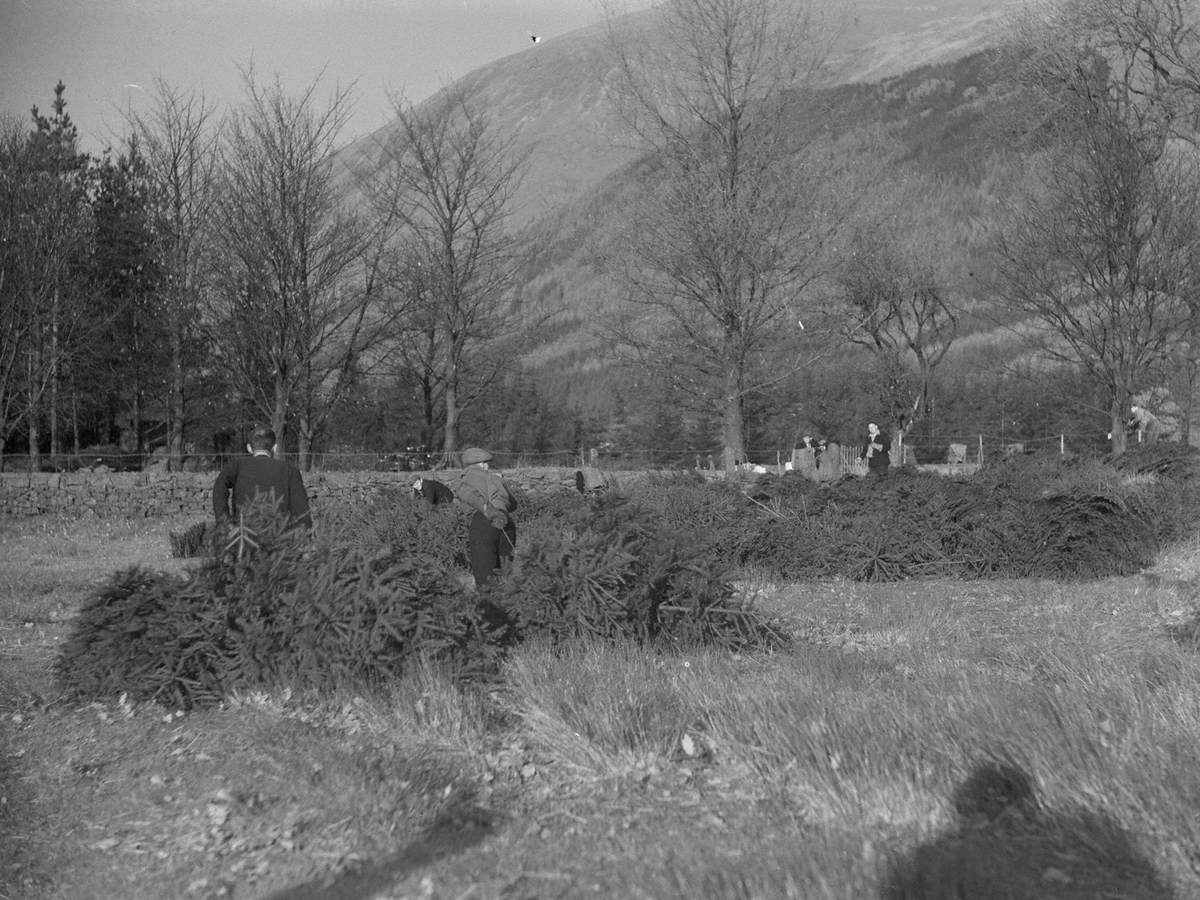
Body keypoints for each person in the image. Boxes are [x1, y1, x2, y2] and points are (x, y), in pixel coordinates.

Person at [212, 426, 311, 529]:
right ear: (275, 448)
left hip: (244, 534)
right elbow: (301, 509)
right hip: (278, 536)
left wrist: (224, 521)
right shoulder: (290, 470)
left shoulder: (237, 465)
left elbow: (219, 487)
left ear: (249, 448)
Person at [452, 447, 518, 587]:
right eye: (486, 463)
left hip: (483, 522)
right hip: (507, 522)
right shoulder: (496, 478)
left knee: (485, 573)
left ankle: (490, 604)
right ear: (481, 464)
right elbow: (513, 504)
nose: (488, 466)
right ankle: (511, 603)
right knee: (507, 572)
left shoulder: (462, 479)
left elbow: (468, 496)